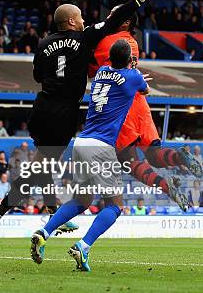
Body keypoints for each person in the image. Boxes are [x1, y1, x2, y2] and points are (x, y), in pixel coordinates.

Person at [0, 0, 162, 239]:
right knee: (40, 167)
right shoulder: (83, 38)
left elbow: (38, 77)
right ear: (71, 22)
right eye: (80, 18)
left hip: (42, 107)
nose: (84, 21)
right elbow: (114, 20)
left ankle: (53, 212)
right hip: (63, 111)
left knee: (46, 161)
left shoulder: (43, 44)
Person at [30, 39, 151, 271]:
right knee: (115, 206)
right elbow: (145, 90)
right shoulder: (132, 77)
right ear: (128, 60)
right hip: (101, 147)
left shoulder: (102, 72)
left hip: (82, 142)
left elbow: (117, 73)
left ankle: (44, 232)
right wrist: (134, 70)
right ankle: (83, 246)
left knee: (81, 201)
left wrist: (127, 66)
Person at [90, 5, 201, 211]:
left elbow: (90, 69)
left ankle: (166, 185)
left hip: (121, 109)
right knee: (154, 155)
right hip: (140, 103)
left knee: (128, 162)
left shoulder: (106, 41)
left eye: (114, 14)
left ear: (125, 21)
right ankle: (178, 158)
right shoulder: (132, 43)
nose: (108, 17)